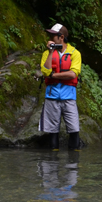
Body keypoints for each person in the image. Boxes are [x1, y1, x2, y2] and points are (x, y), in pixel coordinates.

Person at [39, 23, 82, 151]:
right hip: (51, 96)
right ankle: (52, 163)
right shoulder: (47, 53)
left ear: (61, 37)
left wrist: (54, 74)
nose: (50, 37)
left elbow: (73, 73)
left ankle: (73, 162)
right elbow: (45, 71)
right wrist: (51, 52)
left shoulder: (75, 53)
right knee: (53, 131)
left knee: (74, 129)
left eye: (53, 35)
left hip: (69, 96)